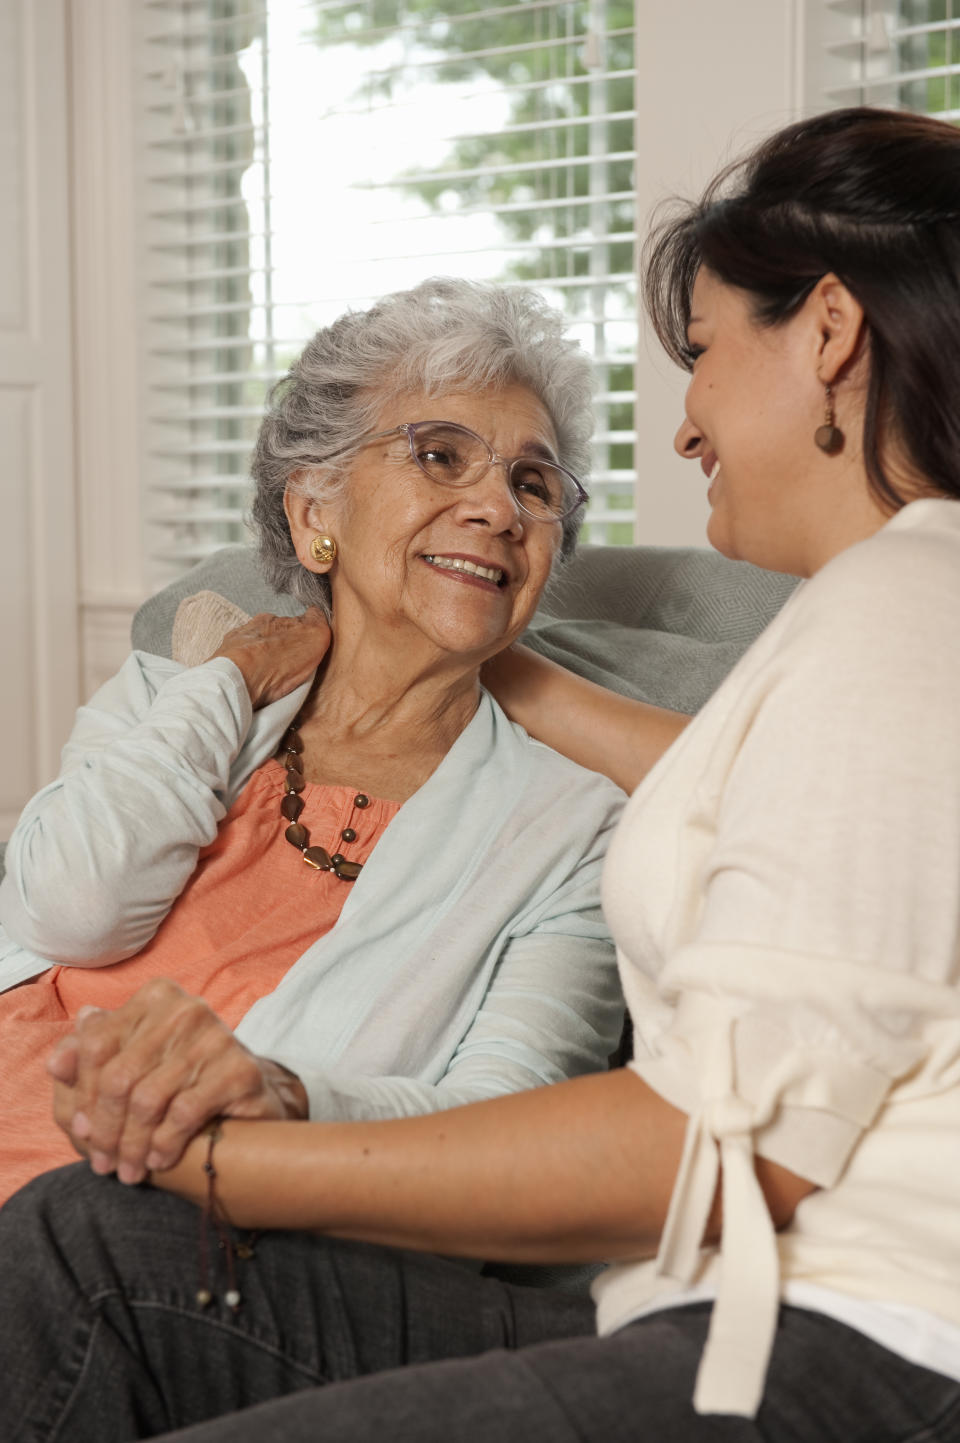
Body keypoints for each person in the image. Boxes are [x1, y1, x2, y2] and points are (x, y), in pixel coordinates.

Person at [5, 104, 960, 1443]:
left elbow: (732, 1140)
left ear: (833, 333)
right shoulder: (866, 631)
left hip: (838, 1330)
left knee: (81, 1228)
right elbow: (776, 797)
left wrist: (224, 1156)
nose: (680, 426)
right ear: (312, 509)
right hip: (739, 1300)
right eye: (440, 459)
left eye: (698, 352)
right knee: (76, 1234)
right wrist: (463, 646)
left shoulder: (901, 609)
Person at [0, 279, 635, 1207]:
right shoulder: (168, 694)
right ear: (315, 515)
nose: (498, 508)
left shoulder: (572, 830)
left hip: (162, 1243)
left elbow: (507, 1124)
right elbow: (68, 911)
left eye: (531, 483)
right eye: (440, 455)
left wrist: (286, 1096)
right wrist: (229, 682)